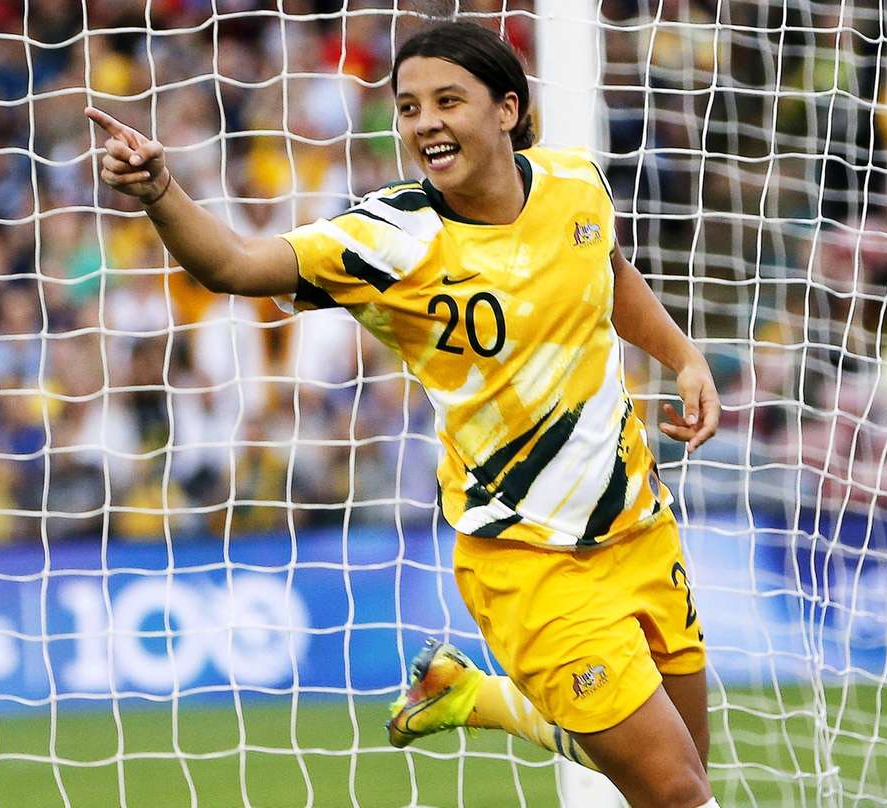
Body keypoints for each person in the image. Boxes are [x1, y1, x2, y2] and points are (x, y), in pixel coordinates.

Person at [85, 19, 721, 808]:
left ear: (507, 110)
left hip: (639, 527)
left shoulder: (575, 185)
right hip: (526, 557)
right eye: (409, 106)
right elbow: (234, 265)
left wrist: (684, 357)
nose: (425, 122)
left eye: (447, 100)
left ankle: (471, 697)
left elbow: (610, 270)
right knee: (677, 793)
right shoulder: (390, 238)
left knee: (683, 767)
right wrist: (160, 190)